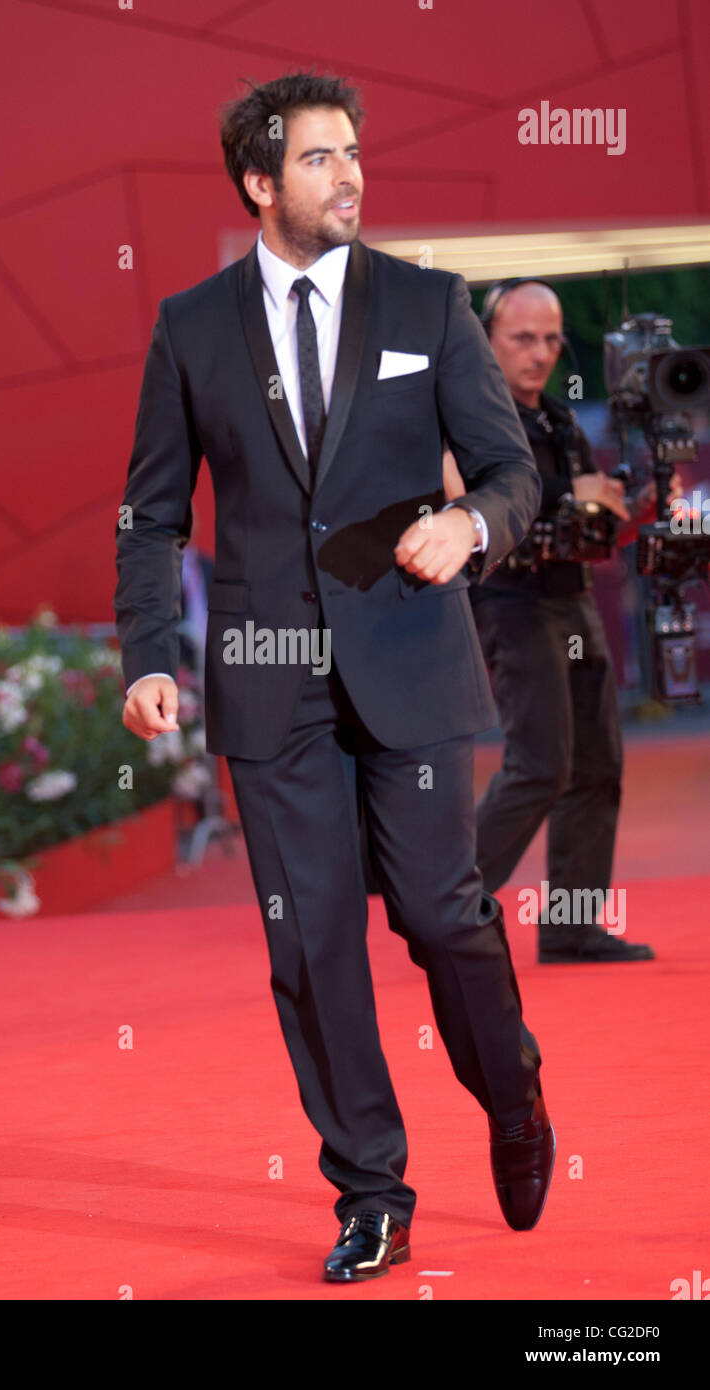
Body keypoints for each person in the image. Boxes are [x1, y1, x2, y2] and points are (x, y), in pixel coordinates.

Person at [114, 71, 554, 1283]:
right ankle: (370, 1189)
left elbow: (511, 472)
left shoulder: (427, 301)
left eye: (353, 153)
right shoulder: (189, 327)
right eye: (319, 159)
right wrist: (149, 655)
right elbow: (150, 514)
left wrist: (470, 528)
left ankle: (510, 1089)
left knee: (435, 912)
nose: (348, 174)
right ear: (260, 183)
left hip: (408, 657)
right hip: (268, 681)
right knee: (309, 946)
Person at [449, 277, 680, 963]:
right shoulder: (470, 417)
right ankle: (450, 914)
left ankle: (571, 924)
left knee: (598, 765)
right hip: (512, 600)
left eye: (552, 338)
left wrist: (636, 504)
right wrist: (568, 490)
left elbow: (588, 527)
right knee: (540, 766)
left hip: (572, 595)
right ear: (487, 340)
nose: (541, 352)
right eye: (523, 337)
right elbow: (472, 491)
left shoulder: (558, 419)